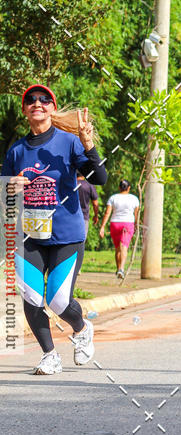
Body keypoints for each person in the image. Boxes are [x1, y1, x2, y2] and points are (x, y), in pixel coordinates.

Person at [1, 84, 107, 374]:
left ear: (52, 107)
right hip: (29, 237)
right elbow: (4, 193)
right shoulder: (16, 151)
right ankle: (49, 355)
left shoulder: (69, 142)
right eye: (31, 100)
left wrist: (88, 144)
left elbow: (99, 177)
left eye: (44, 99)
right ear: (24, 110)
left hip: (66, 235)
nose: (38, 103)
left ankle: (82, 328)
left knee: (58, 300)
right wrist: (10, 187)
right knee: (31, 295)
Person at [99, 179, 139, 279]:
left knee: (118, 248)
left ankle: (118, 269)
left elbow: (107, 213)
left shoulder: (113, 198)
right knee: (124, 247)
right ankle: (121, 269)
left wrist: (102, 227)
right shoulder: (134, 199)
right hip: (128, 224)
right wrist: (137, 225)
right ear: (129, 188)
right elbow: (136, 214)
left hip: (115, 224)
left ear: (119, 187)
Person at [77, 172, 99, 239]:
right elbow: (95, 204)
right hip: (84, 216)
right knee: (81, 240)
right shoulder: (89, 185)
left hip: (69, 216)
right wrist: (96, 216)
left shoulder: (69, 184)